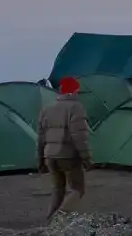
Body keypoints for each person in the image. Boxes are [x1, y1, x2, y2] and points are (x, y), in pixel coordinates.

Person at [36, 77, 92, 218]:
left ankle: (49, 219)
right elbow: (79, 137)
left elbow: (40, 139)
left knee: (58, 189)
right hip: (68, 156)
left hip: (50, 156)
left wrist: (40, 160)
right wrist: (86, 158)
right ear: (74, 91)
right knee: (77, 189)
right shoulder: (76, 108)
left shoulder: (47, 109)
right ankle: (61, 216)